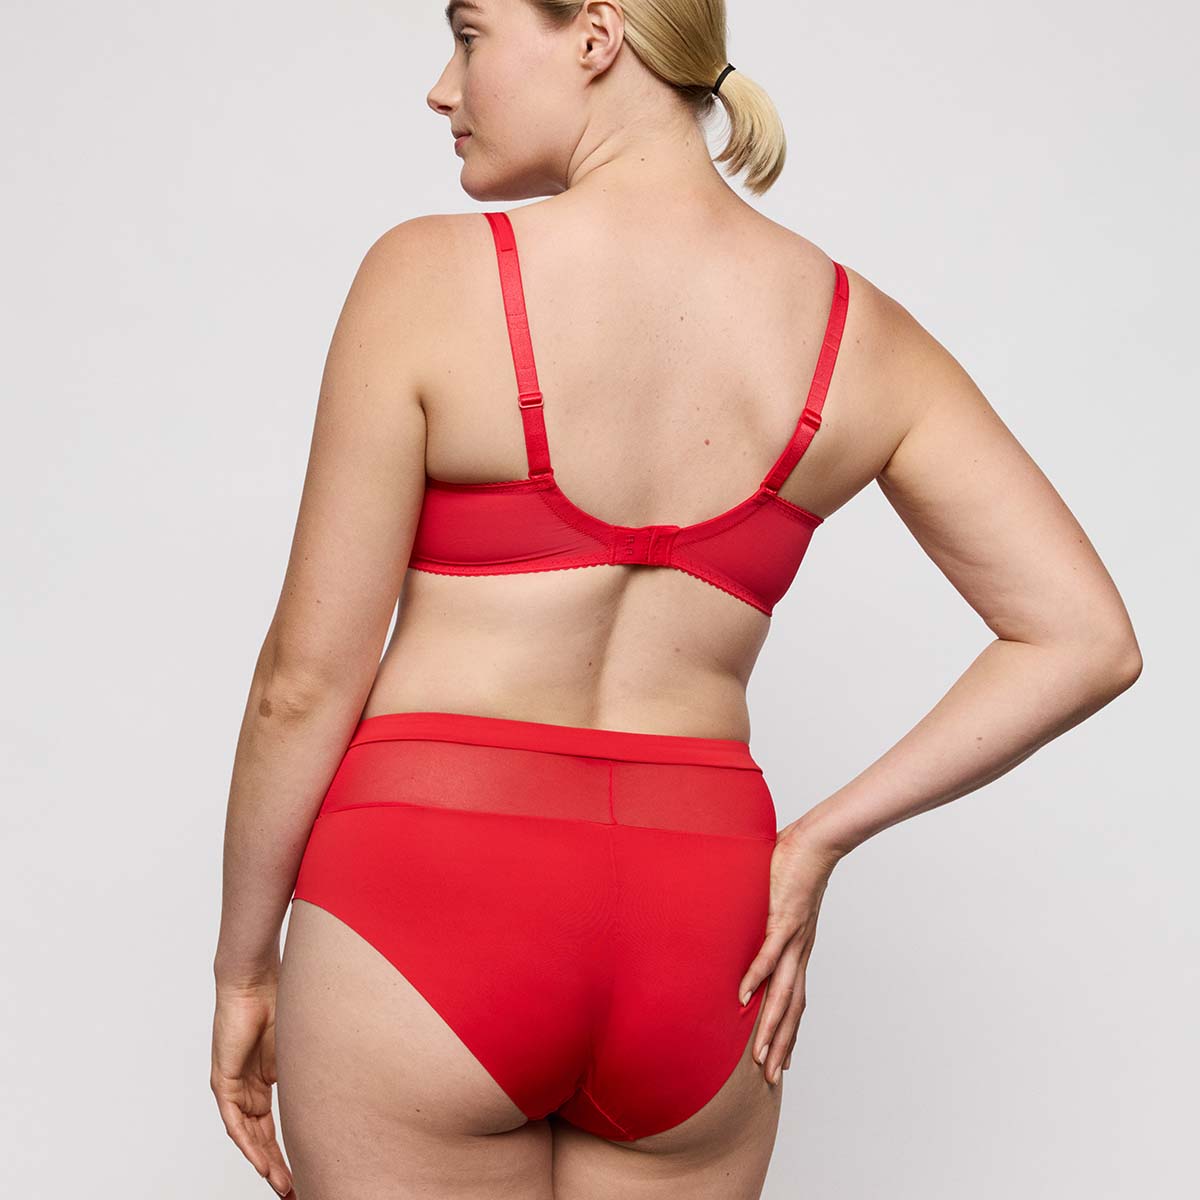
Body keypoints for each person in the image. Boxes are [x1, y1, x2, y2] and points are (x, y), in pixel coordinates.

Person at [209, 2, 1142, 1197]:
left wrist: (244, 968)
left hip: (430, 898)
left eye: (471, 34)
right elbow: (1085, 638)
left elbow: (302, 684)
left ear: (596, 34)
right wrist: (818, 839)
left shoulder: (427, 277)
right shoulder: (862, 336)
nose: (443, 87)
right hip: (704, 932)